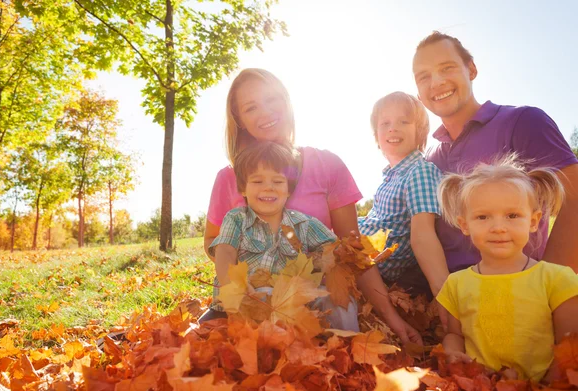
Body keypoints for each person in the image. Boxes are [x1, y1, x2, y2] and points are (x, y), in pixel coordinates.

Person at [203, 68, 422, 343]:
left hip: (314, 296)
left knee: (338, 311)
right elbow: (216, 242)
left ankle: (341, 358)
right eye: (251, 107)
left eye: (271, 100)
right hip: (252, 297)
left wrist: (391, 316)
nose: (265, 112)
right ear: (240, 120)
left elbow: (349, 251)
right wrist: (247, 277)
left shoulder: (326, 165)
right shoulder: (229, 179)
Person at [412, 31, 578, 273]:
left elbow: (574, 198)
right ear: (418, 93)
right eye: (423, 77)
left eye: (447, 68)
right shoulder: (428, 160)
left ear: (471, 70)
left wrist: (549, 289)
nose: (436, 82)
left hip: (520, 297)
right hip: (450, 300)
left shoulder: (524, 121)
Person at [436, 156, 578, 381]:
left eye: (512, 215)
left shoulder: (557, 279)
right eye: (483, 217)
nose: (498, 228)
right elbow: (454, 334)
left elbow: (570, 349)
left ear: (533, 221)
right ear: (465, 225)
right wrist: (452, 352)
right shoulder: (456, 284)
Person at [207, 141, 358, 330]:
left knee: (342, 303)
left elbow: (332, 249)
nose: (268, 187)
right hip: (248, 299)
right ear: (243, 189)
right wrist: (233, 286)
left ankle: (345, 350)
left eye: (277, 181)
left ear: (289, 190)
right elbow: (226, 250)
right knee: (260, 299)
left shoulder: (304, 224)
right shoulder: (236, 219)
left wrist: (338, 254)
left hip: (295, 299)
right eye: (257, 181)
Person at [358, 92, 449, 304]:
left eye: (403, 121)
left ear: (420, 132)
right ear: (376, 136)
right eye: (385, 123)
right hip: (361, 256)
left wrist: (445, 295)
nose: (393, 128)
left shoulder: (420, 172)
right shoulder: (390, 178)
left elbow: (423, 235)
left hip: (380, 273)